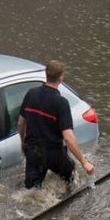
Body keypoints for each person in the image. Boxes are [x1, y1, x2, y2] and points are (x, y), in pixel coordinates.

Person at [18, 59, 95, 189]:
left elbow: (20, 123)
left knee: (30, 192)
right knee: (73, 180)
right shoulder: (61, 103)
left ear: (46, 74)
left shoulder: (31, 94)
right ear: (61, 78)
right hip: (54, 153)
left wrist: (23, 142)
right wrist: (84, 162)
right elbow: (68, 137)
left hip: (33, 151)